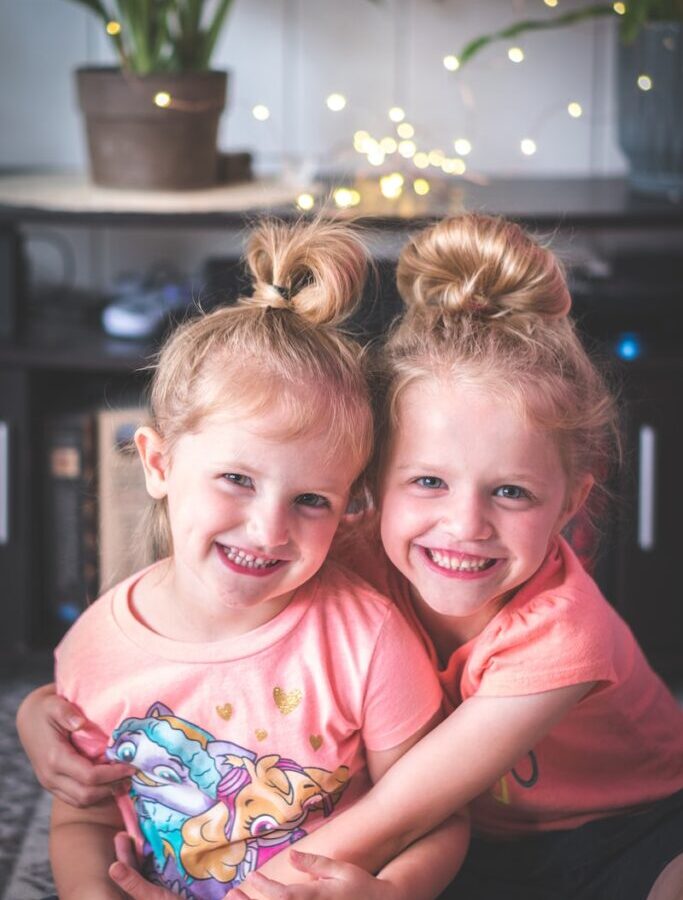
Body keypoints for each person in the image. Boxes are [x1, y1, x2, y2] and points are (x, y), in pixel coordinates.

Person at [19, 214, 683, 900]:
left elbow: (401, 811)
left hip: (625, 826)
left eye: (510, 492)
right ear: (372, 484)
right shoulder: (327, 545)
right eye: (428, 481)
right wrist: (42, 711)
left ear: (570, 502)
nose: (464, 526)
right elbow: (166, 652)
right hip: (470, 844)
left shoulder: (564, 633)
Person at [31, 218, 468, 900]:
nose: (268, 530)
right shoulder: (93, 648)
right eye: (237, 479)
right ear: (158, 463)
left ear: (349, 505)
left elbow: (433, 817)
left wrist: (392, 892)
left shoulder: (369, 641)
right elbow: (82, 817)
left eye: (312, 500)